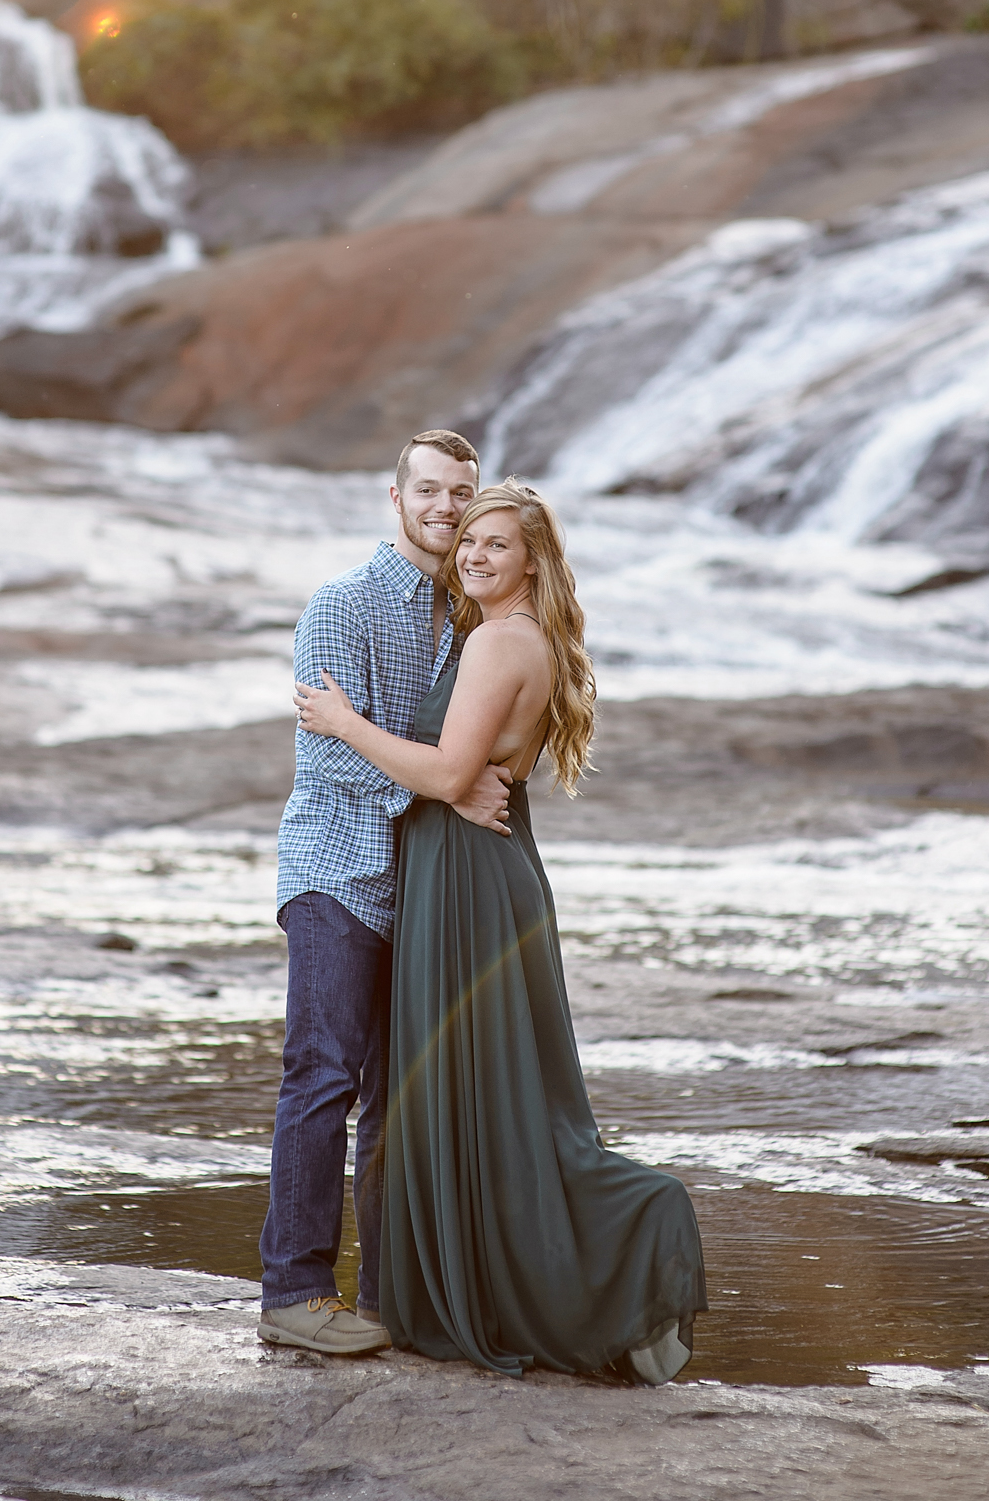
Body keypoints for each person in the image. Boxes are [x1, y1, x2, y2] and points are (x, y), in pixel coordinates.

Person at [295, 481, 707, 1383]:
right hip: (479, 868)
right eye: (468, 540)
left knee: (488, 1094)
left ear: (532, 561)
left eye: (496, 544)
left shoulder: (496, 641)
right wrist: (453, 775)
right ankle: (469, 1284)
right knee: (485, 1090)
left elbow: (447, 771)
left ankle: (638, 1220)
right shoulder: (520, 637)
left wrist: (341, 719)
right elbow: (466, 769)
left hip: (469, 878)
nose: (475, 554)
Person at [258, 431, 514, 1357]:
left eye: (462, 493)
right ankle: (291, 1291)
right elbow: (327, 754)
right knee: (320, 1075)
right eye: (430, 490)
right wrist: (444, 781)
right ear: (394, 497)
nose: (446, 507)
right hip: (334, 869)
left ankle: (383, 1294)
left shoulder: (470, 610)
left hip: (421, 888)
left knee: (398, 1098)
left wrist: (462, 774)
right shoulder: (343, 603)